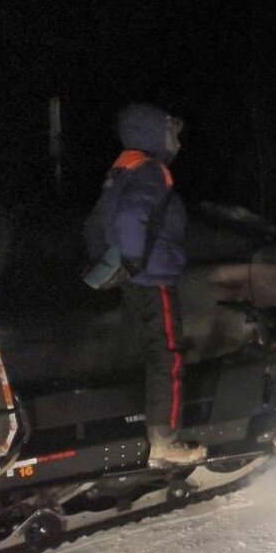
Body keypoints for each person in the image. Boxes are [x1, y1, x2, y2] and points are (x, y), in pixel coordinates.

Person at [87, 103, 207, 467]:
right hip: (152, 276)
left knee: (153, 351)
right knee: (166, 354)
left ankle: (153, 431)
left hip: (138, 277)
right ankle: (165, 442)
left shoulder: (125, 168)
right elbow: (130, 217)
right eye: (171, 132)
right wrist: (136, 260)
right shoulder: (151, 170)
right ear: (152, 133)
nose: (177, 140)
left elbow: (96, 222)